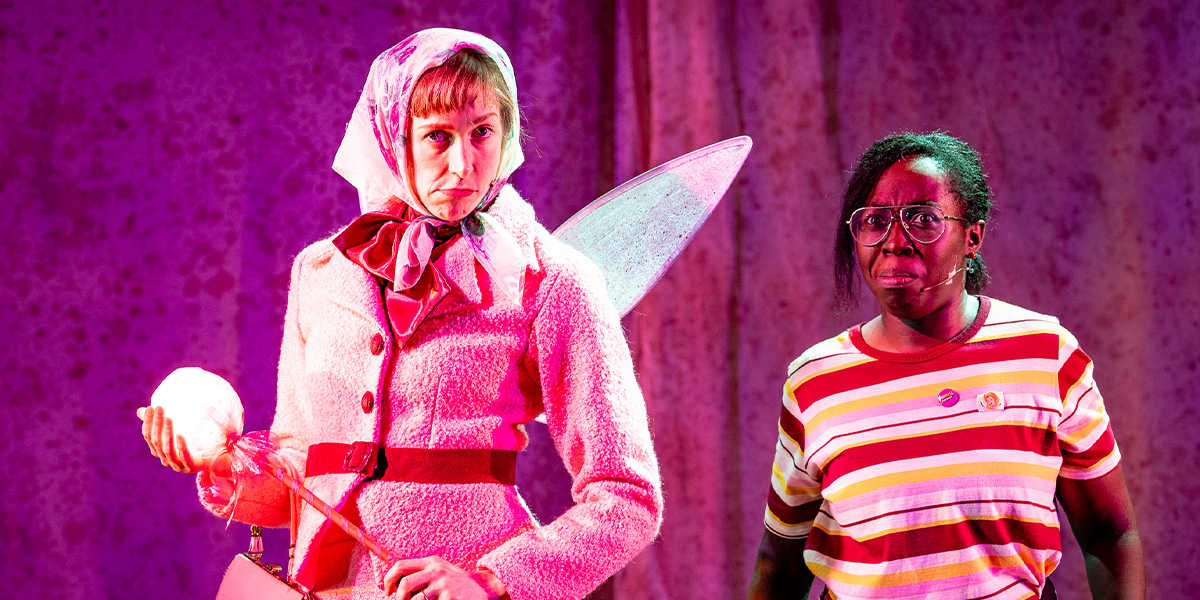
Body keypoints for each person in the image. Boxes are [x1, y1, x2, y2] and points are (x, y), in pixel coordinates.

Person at [139, 28, 662, 600]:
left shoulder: (552, 280)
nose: (463, 164)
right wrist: (219, 459)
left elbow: (627, 496)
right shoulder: (322, 271)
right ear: (394, 138)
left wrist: (492, 581)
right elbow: (303, 470)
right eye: (437, 137)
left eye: (482, 132)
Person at [747, 132, 1144, 600]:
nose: (895, 241)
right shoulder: (815, 381)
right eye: (875, 221)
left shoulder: (1046, 355)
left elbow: (1109, 534)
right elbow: (780, 561)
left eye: (923, 219)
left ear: (972, 237)